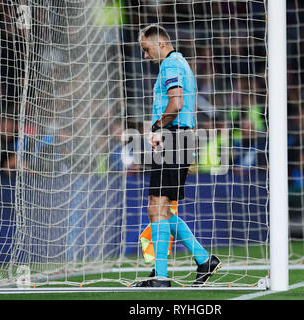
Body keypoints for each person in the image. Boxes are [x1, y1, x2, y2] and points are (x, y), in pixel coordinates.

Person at [134, 24, 221, 287]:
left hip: (172, 138)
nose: (145, 56)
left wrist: (159, 127)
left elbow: (177, 102)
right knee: (159, 207)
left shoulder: (171, 65)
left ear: (160, 43)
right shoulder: (179, 63)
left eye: (147, 50)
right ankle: (203, 260)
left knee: (156, 207)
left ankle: (161, 276)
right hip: (180, 139)